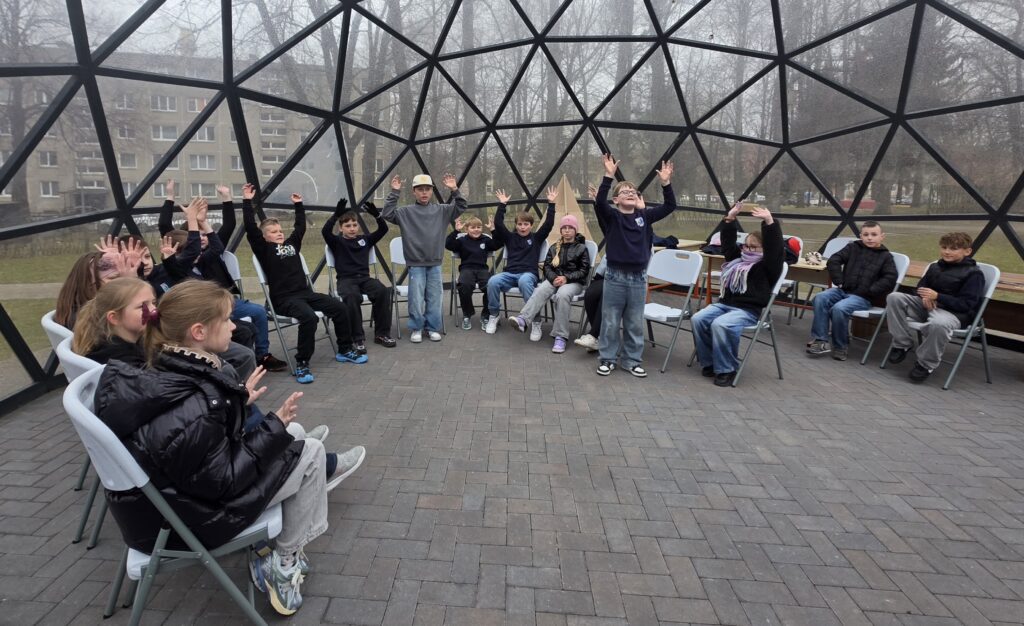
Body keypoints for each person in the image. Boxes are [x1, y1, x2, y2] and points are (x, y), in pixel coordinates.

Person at [93, 280, 365, 616]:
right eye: (226, 320)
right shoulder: (193, 396)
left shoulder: (162, 369)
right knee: (308, 450)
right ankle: (283, 562)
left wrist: (236, 404)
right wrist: (272, 425)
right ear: (198, 332)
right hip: (193, 519)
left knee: (293, 432)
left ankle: (271, 545)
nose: (235, 326)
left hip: (164, 505)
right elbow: (224, 480)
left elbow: (200, 448)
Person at [243, 185, 365, 384]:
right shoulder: (263, 249)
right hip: (283, 299)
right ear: (265, 237)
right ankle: (302, 363)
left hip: (305, 293)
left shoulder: (291, 245)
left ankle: (344, 349)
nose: (279, 233)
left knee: (340, 307)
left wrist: (299, 205)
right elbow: (249, 227)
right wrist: (247, 201)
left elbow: (300, 227)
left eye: (280, 230)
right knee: (309, 318)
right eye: (273, 232)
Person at [160, 181, 288, 372]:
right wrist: (170, 197)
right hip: (207, 309)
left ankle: (262, 355)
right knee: (245, 330)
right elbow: (165, 227)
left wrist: (226, 199)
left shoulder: (208, 256)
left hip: (227, 301)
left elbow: (228, 227)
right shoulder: (180, 264)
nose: (202, 238)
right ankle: (238, 363)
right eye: (197, 235)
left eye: (205, 235)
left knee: (259, 313)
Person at [594, 155, 676, 377]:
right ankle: (608, 359)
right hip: (615, 277)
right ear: (616, 201)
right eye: (624, 192)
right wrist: (608, 176)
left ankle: (631, 360)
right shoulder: (612, 217)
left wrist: (666, 183)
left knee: (634, 323)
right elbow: (600, 203)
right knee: (610, 322)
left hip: (639, 278)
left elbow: (670, 206)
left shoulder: (645, 217)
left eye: (633, 191)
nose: (629, 193)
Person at [690, 203, 783, 386]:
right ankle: (710, 363)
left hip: (748, 310)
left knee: (721, 324)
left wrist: (769, 221)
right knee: (698, 318)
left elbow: (775, 248)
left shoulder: (768, 266)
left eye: (754, 247)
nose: (748, 250)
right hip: (725, 305)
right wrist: (730, 218)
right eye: (746, 246)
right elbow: (727, 244)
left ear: (764, 250)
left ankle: (727, 369)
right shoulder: (737, 261)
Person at [884, 231, 984, 383]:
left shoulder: (974, 274)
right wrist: (924, 296)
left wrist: (938, 297)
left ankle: (925, 364)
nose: (947, 251)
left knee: (938, 323)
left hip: (954, 314)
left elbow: (967, 304)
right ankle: (902, 344)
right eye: (944, 247)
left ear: (967, 251)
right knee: (894, 297)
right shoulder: (935, 267)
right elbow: (920, 287)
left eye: (953, 248)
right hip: (927, 307)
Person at [382, 172, 467, 343]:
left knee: (435, 297)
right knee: (416, 298)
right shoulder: (406, 212)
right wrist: (395, 192)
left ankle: (432, 328)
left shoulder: (442, 210)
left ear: (431, 191)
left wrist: (454, 189)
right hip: (415, 264)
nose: (424, 193)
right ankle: (417, 328)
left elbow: (461, 206)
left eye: (427, 189)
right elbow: (387, 213)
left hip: (435, 263)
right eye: (420, 189)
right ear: (414, 192)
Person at [806, 221, 898, 361]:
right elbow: (834, 260)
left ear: (882, 236)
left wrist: (871, 290)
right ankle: (821, 340)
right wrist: (839, 281)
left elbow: (890, 277)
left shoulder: (886, 257)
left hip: (863, 297)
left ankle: (841, 346)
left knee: (839, 308)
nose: (869, 238)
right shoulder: (853, 247)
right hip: (843, 290)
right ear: (860, 235)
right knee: (820, 298)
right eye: (866, 234)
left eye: (874, 234)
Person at [507, 214, 590, 353]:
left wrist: (566, 278)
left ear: (575, 230)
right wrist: (554, 278)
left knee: (562, 295)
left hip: (574, 282)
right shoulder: (554, 247)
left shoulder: (581, 248)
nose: (567, 231)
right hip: (555, 280)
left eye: (570, 228)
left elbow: (584, 270)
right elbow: (547, 267)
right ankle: (523, 320)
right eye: (564, 228)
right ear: (561, 230)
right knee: (541, 289)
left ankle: (560, 336)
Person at [322, 200, 396, 349]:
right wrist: (336, 215)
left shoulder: (365, 240)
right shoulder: (337, 242)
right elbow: (325, 232)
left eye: (354, 225)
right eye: (348, 226)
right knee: (351, 297)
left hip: (365, 279)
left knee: (383, 291)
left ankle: (382, 334)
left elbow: (383, 230)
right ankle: (357, 337)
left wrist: (377, 215)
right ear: (341, 228)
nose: (352, 229)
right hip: (346, 280)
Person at [484, 188, 557, 336]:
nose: (522, 227)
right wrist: (502, 205)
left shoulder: (536, 238)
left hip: (528, 274)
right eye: (520, 224)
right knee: (492, 281)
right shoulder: (510, 238)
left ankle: (536, 321)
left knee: (524, 281)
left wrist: (551, 204)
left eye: (526, 224)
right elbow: (498, 223)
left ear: (531, 226)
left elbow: (548, 224)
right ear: (516, 225)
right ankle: (494, 315)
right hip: (510, 274)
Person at [71, 276, 154, 366]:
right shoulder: (124, 361)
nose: (154, 310)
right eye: (142, 306)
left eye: (154, 303)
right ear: (114, 318)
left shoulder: (104, 341)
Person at [445, 215, 502, 330]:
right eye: (473, 227)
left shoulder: (485, 240)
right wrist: (456, 231)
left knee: (491, 286)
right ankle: (467, 314)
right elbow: (448, 245)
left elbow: (498, 244)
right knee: (464, 285)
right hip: (467, 269)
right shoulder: (462, 240)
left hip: (482, 269)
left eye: (479, 227)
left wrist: (493, 230)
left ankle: (486, 315)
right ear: (467, 229)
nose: (476, 229)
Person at [575, 184, 608, 352]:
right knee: (590, 295)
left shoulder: (639, 233)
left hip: (622, 278)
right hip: (604, 275)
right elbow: (604, 223)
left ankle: (594, 335)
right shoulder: (615, 230)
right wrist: (597, 203)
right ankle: (599, 335)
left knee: (605, 297)